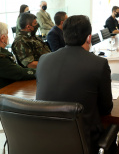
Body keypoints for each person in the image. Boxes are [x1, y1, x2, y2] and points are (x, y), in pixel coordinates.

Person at [36, 15, 113, 153]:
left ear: (64, 36)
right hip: (84, 143)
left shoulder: (43, 60)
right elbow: (106, 109)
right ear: (89, 38)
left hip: (46, 140)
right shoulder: (99, 64)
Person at [0, 22, 36, 89]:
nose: (8, 37)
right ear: (2, 38)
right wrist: (39, 72)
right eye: (7, 34)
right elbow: (19, 73)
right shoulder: (2, 57)